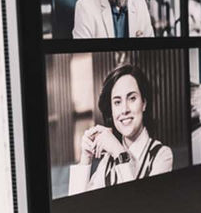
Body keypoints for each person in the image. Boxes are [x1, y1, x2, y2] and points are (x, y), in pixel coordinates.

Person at [68, 64, 172, 194]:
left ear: (144, 103)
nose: (124, 110)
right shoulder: (107, 162)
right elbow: (77, 208)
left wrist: (119, 153)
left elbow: (141, 207)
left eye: (132, 98)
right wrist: (85, 158)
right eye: (117, 102)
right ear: (111, 110)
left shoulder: (162, 155)